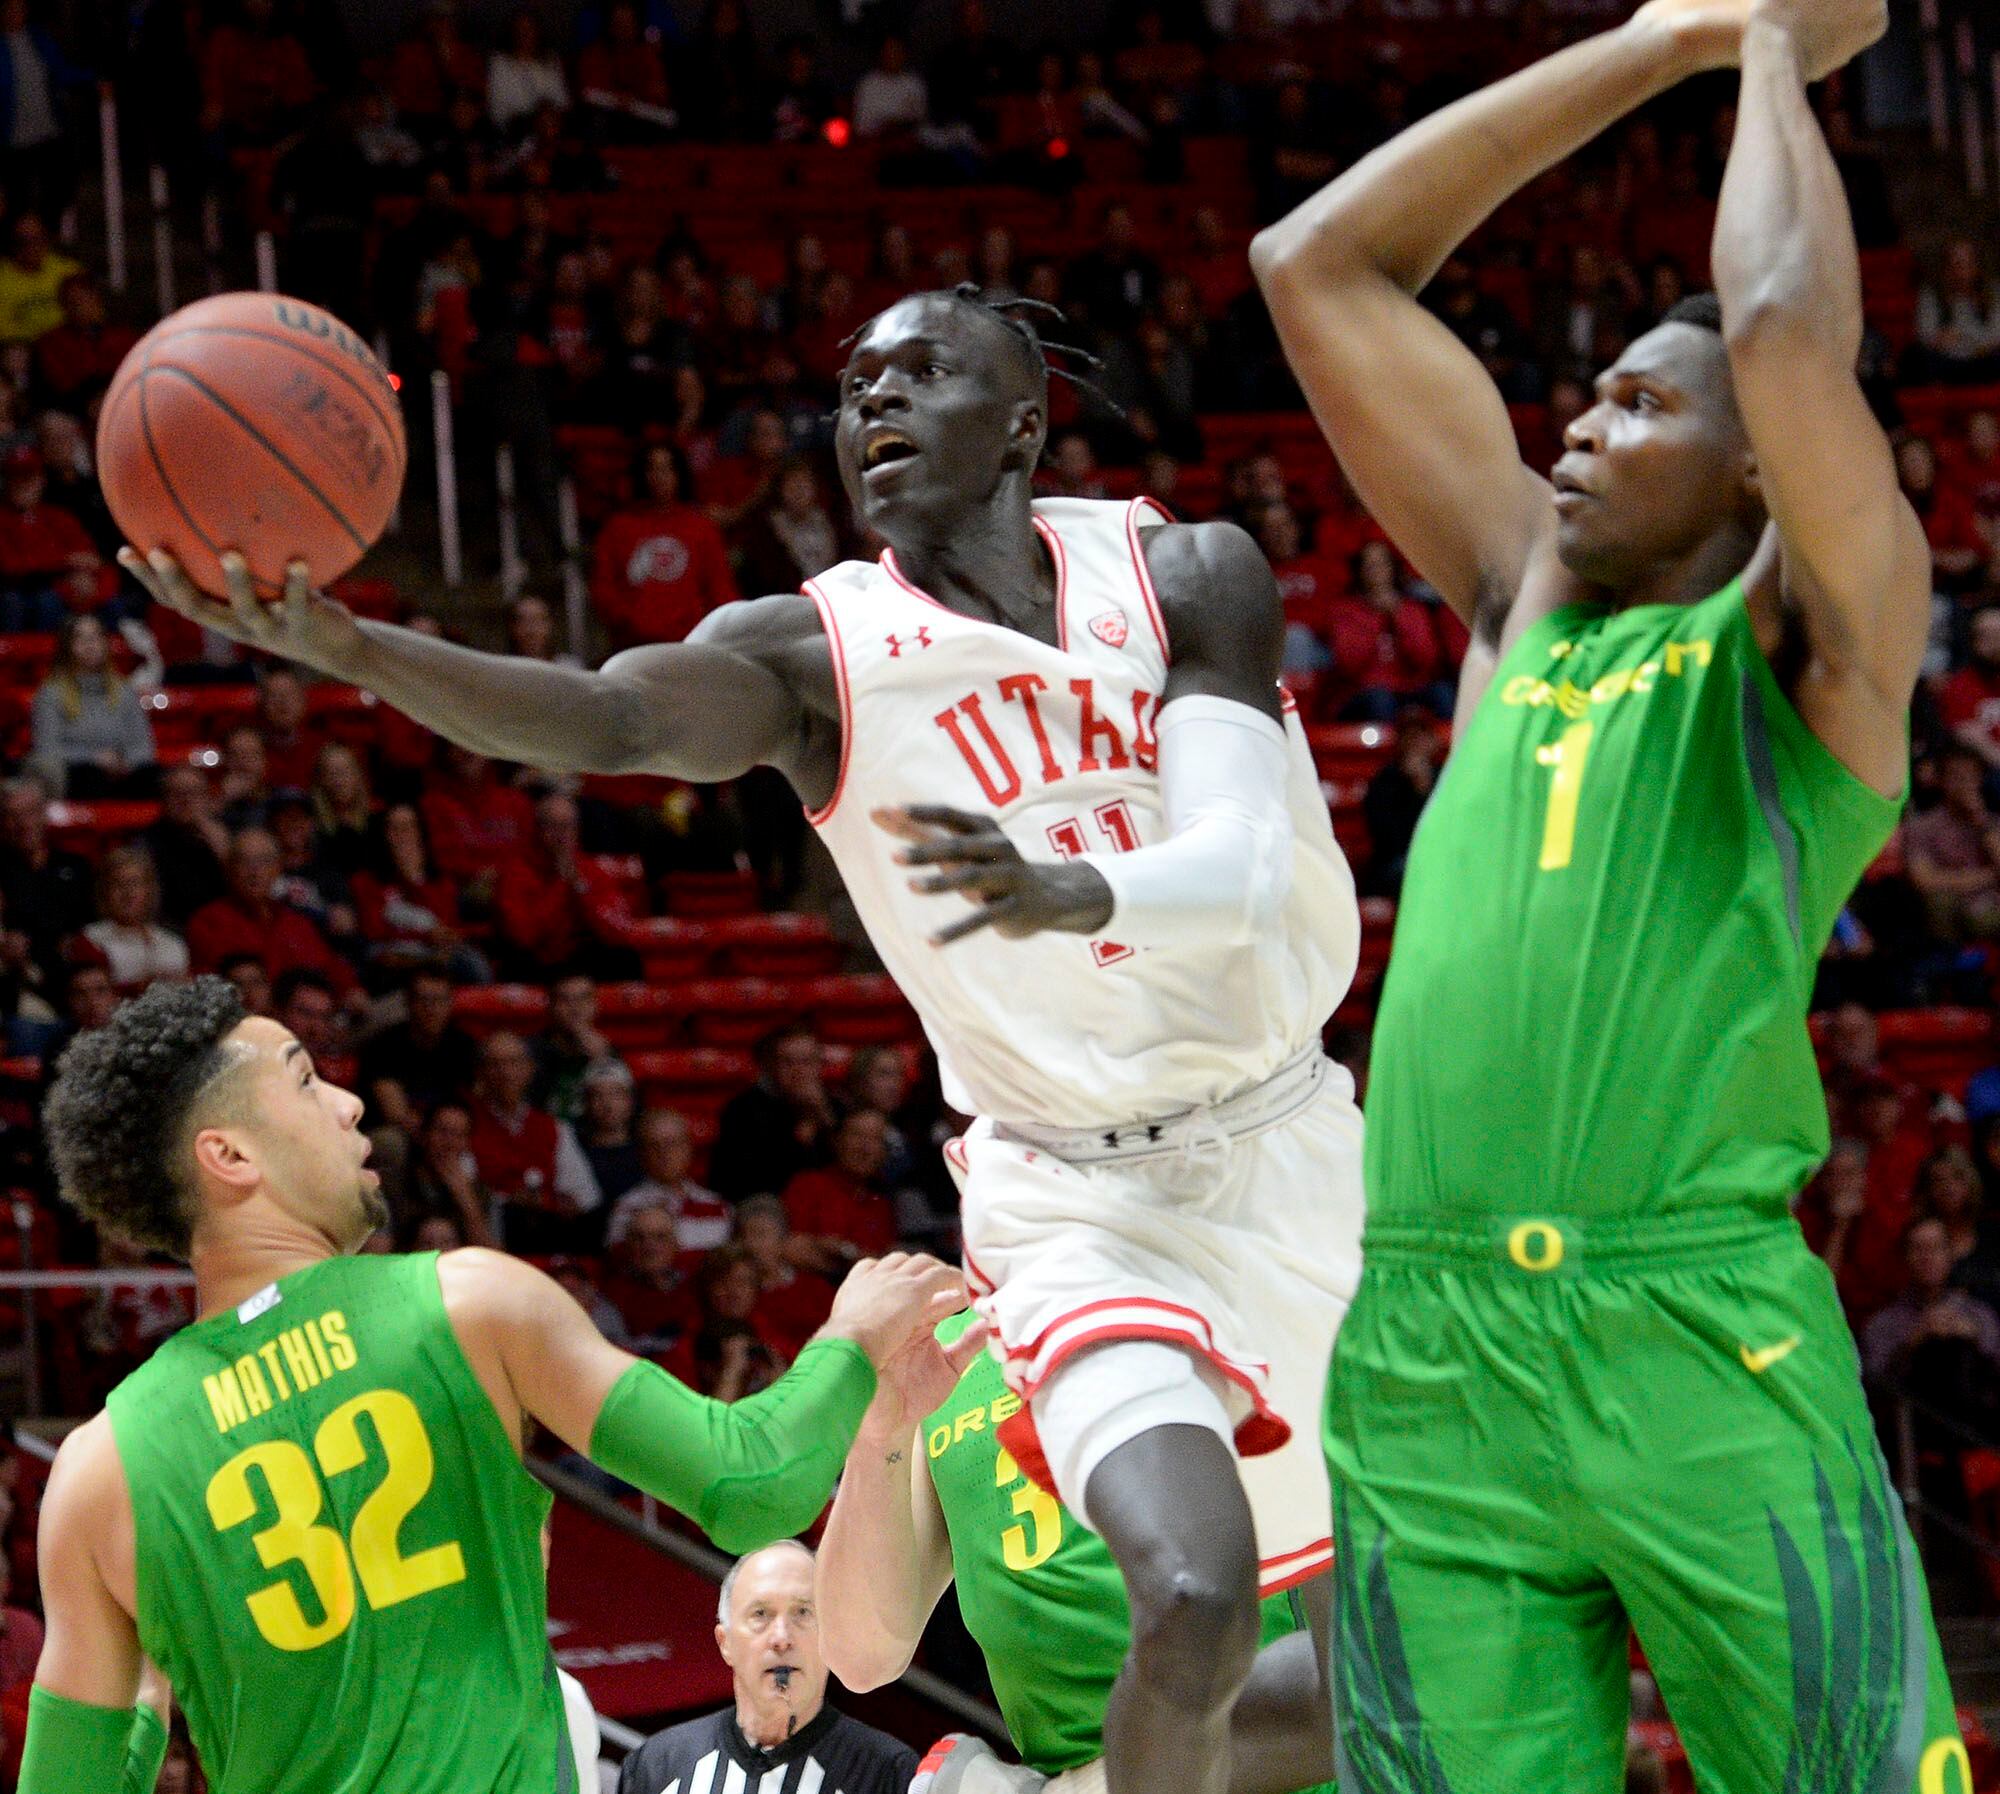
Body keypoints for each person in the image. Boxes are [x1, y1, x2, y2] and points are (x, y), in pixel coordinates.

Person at [123, 273, 1368, 1794]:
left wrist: (1071, 884)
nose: (875, 404)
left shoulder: (1187, 571)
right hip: (1078, 1196)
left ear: (1028, 421)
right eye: (854, 388)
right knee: (1187, 1600)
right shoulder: (813, 657)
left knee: (1410, 1652)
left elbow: (1244, 871)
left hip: (1297, 1145)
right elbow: (608, 718)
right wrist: (358, 649)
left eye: (918, 372)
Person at [1251, 0, 1967, 1781]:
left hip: (1695, 1327)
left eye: (1639, 402)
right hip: (1426, 1344)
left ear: (1753, 467)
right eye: (1586, 393)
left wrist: (1774, 54)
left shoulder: (1816, 647)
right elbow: (1317, 262)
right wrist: (1663, 36)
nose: (1574, 426)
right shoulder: (1526, 604)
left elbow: (1792, 323)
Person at [20, 977, 965, 1794]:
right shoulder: (465, 1301)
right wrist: (852, 1337)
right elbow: (753, 1483)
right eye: (307, 1080)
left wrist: (146, 1701)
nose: (349, 1104)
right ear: (231, 1156)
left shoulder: (98, 1470)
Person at [820, 1309, 1337, 1794]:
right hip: (1095, 1760)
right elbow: (863, 1659)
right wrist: (876, 1432)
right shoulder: (940, 1354)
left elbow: (1348, 1674)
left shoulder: (1217, 1294)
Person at [619, 1541, 917, 1794]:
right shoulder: (657, 1766)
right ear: (726, 1643)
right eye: (760, 1614)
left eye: (803, 1612)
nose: (782, 1638)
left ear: (832, 1633)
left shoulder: (888, 1774)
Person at [28, 613, 157, 800]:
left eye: (96, 636)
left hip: (123, 774)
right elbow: (47, 750)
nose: (90, 644)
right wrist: (94, 759)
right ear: (66, 647)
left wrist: (123, 763)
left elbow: (143, 747)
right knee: (90, 776)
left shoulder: (124, 691)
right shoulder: (51, 693)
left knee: (154, 777)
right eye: (80, 637)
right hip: (77, 776)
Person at [710, 1024, 838, 1201]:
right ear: (770, 1066)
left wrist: (825, 1117)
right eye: (788, 1062)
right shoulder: (743, 1110)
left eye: (807, 1061)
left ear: (820, 1064)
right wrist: (803, 1130)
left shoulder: (835, 1106)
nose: (799, 1071)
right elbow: (748, 1180)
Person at [604, 1105, 732, 1260]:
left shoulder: (718, 1207)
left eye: (672, 1143)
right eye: (654, 1145)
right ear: (641, 1154)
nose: (664, 1153)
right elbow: (621, 1268)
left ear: (688, 1148)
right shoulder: (626, 1208)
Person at [82, 847, 188, 995]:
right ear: (104, 891)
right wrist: (140, 987)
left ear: (149, 890)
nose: (128, 893)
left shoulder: (172, 942)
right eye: (118, 884)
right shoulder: (92, 939)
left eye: (135, 883)